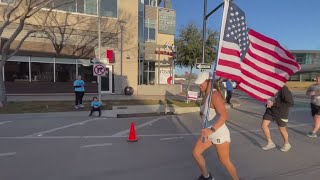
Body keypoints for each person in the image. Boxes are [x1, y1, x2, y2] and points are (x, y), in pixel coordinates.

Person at [192, 72, 239, 180]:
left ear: (209, 82)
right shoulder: (206, 94)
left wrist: (211, 130)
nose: (199, 85)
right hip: (208, 132)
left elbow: (224, 116)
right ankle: (207, 176)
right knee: (196, 152)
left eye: (201, 83)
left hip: (218, 133)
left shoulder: (215, 95)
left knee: (224, 161)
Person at [261, 85, 294, 152]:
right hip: (270, 111)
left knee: (282, 129)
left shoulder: (283, 88)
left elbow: (290, 103)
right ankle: (270, 143)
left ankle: (287, 143)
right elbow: (268, 99)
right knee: (264, 125)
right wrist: (267, 103)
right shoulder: (269, 87)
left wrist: (274, 104)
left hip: (281, 113)